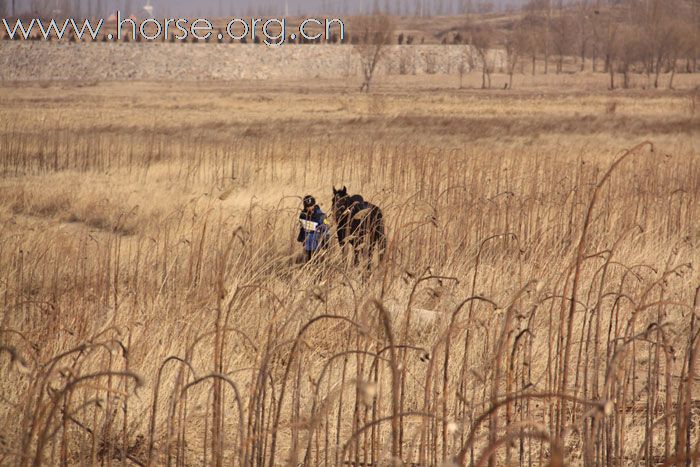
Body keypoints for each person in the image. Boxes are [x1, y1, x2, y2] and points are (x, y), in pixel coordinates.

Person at [297, 195, 329, 262]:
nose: (309, 208)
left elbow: (326, 229)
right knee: (307, 261)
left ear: (314, 205)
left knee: (317, 261)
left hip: (317, 244)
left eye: (311, 206)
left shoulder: (322, 216)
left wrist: (325, 244)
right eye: (307, 207)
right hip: (307, 244)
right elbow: (301, 227)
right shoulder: (303, 215)